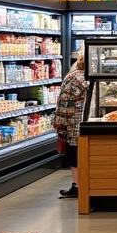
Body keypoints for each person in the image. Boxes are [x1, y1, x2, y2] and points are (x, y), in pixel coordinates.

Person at [53, 51, 88, 199]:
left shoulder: (72, 75)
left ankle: (78, 185)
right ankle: (79, 186)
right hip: (77, 121)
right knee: (76, 153)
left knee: (74, 153)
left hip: (70, 121)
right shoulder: (82, 78)